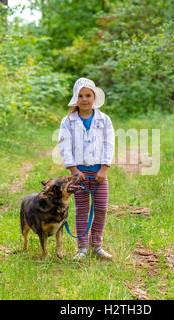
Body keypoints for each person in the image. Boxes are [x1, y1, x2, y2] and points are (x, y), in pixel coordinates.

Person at [58, 77, 115, 260]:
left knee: (101, 208)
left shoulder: (104, 120)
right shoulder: (68, 121)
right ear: (76, 98)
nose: (84, 99)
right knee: (82, 209)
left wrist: (104, 168)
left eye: (88, 95)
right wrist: (74, 170)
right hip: (79, 174)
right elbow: (65, 146)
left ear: (94, 97)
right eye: (80, 96)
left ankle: (96, 246)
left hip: (99, 173)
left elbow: (109, 144)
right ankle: (82, 248)